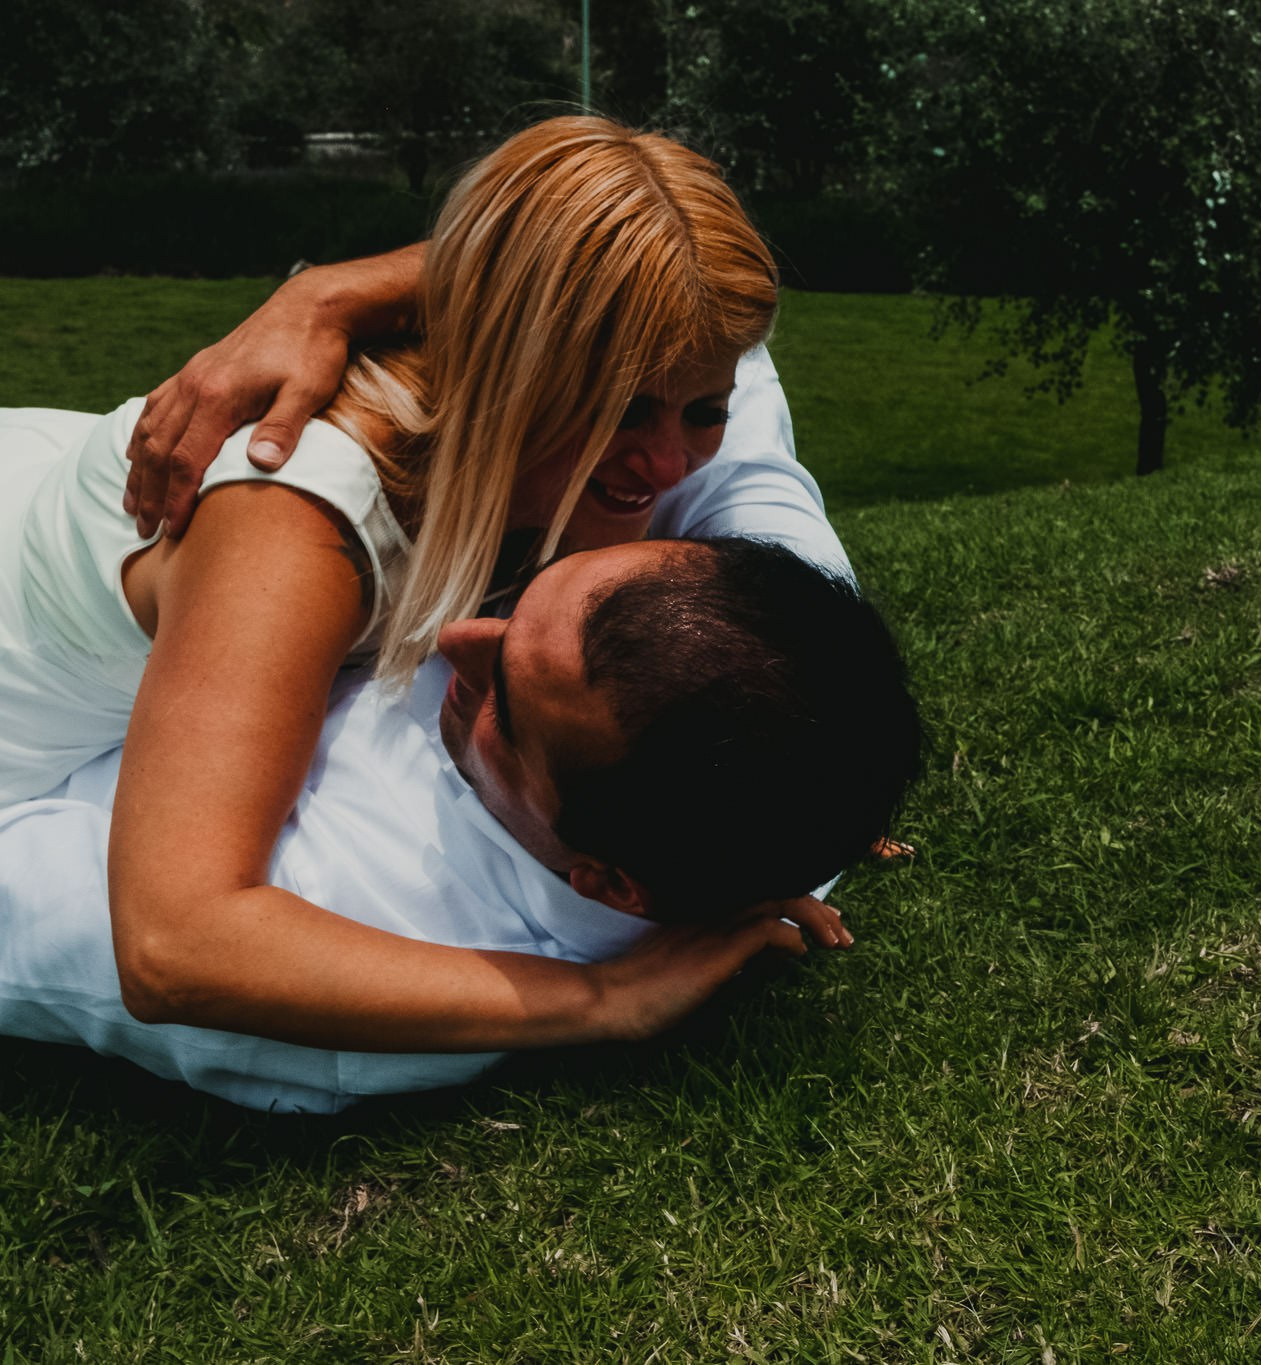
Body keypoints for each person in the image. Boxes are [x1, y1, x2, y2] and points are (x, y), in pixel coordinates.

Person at [0, 114, 803, 1053]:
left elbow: (522, 263)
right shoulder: (298, 524)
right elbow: (174, 944)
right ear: (519, 369)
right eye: (623, 411)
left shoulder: (522, 404)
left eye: (706, 414)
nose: (669, 464)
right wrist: (602, 999)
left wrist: (328, 296)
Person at [0, 536, 921, 1112]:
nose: (454, 641)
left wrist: (602, 1005)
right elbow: (739, 366)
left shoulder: (359, 943)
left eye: (507, 706)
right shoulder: (807, 691)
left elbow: (47, 917)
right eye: (512, 608)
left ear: (605, 881)